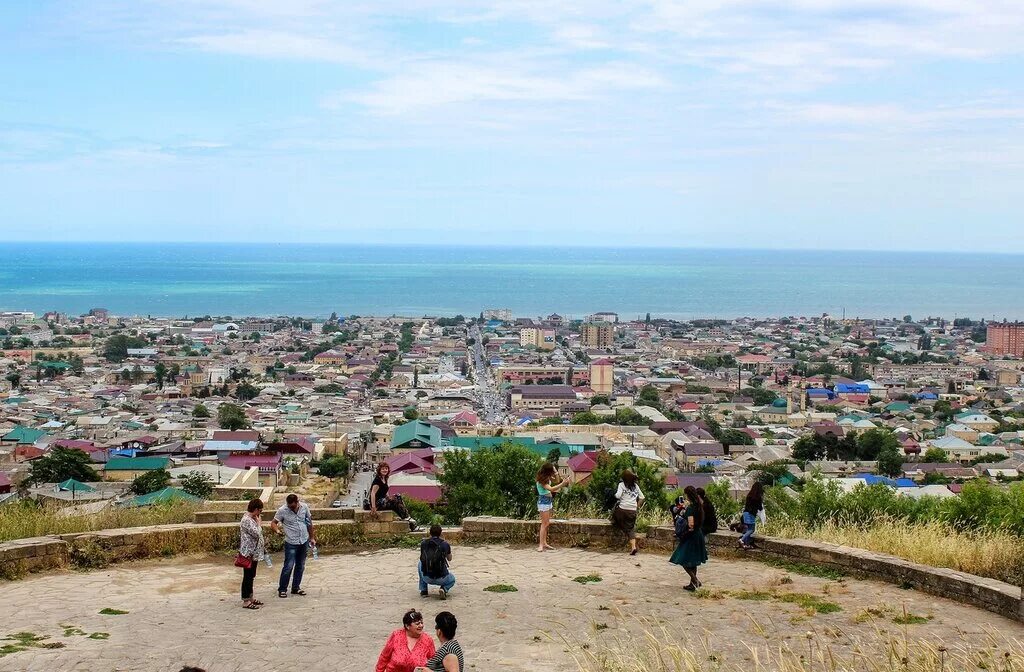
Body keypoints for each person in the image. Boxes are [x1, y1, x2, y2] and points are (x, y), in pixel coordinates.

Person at [271, 493, 316, 598]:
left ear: (297, 502)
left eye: (293, 506)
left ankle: (296, 587)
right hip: (291, 542)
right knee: (288, 566)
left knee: (300, 565)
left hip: (303, 540)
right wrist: (277, 531)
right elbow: (273, 523)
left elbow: (309, 523)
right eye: (289, 506)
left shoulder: (304, 507)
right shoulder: (283, 510)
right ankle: (282, 589)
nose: (291, 508)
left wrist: (312, 537)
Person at [669, 485, 708, 591]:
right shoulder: (699, 506)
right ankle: (692, 584)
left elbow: (691, 525)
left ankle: (695, 580)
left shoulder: (691, 508)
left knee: (683, 560)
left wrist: (684, 534)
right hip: (698, 534)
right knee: (693, 561)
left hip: (691, 536)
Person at [371, 463, 418, 531]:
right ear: (379, 470)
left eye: (386, 468)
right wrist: (373, 507)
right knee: (394, 501)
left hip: (383, 500)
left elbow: (385, 490)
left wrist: (388, 497)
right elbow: (373, 493)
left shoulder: (385, 478)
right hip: (378, 502)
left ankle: (406, 517)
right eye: (383, 469)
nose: (385, 470)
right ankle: (408, 518)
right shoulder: (377, 480)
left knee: (398, 496)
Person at [238, 498, 266, 610]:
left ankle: (250, 597)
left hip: (254, 553)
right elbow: (257, 533)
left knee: (251, 576)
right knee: (247, 577)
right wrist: (259, 523)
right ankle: (246, 600)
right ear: (255, 509)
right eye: (260, 511)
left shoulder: (251, 519)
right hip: (248, 553)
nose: (260, 514)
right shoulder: (246, 520)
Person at [535, 462, 569, 552]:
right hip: (543, 502)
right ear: (548, 471)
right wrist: (563, 484)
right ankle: (541, 545)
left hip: (548, 501)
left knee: (547, 523)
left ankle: (545, 543)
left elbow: (556, 481)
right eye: (552, 470)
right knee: (544, 524)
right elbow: (551, 489)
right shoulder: (541, 480)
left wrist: (556, 472)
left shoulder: (546, 477)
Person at [611, 469, 645, 555]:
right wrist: (637, 506)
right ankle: (633, 547)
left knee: (615, 511)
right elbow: (642, 497)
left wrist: (613, 494)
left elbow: (618, 496)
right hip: (632, 511)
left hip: (622, 510)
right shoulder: (636, 486)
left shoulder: (621, 485)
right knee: (630, 529)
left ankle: (615, 522)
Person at [419, 524, 456, 599]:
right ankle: (443, 589)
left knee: (420, 564)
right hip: (441, 578)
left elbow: (422, 558)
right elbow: (449, 559)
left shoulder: (423, 543)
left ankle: (424, 590)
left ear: (430, 533)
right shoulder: (445, 544)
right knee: (452, 579)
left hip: (427, 577)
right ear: (441, 533)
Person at [739, 482, 765, 550]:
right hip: (751, 514)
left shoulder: (749, 495)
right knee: (752, 529)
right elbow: (760, 508)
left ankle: (746, 544)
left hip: (745, 513)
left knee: (748, 529)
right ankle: (742, 540)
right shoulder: (757, 497)